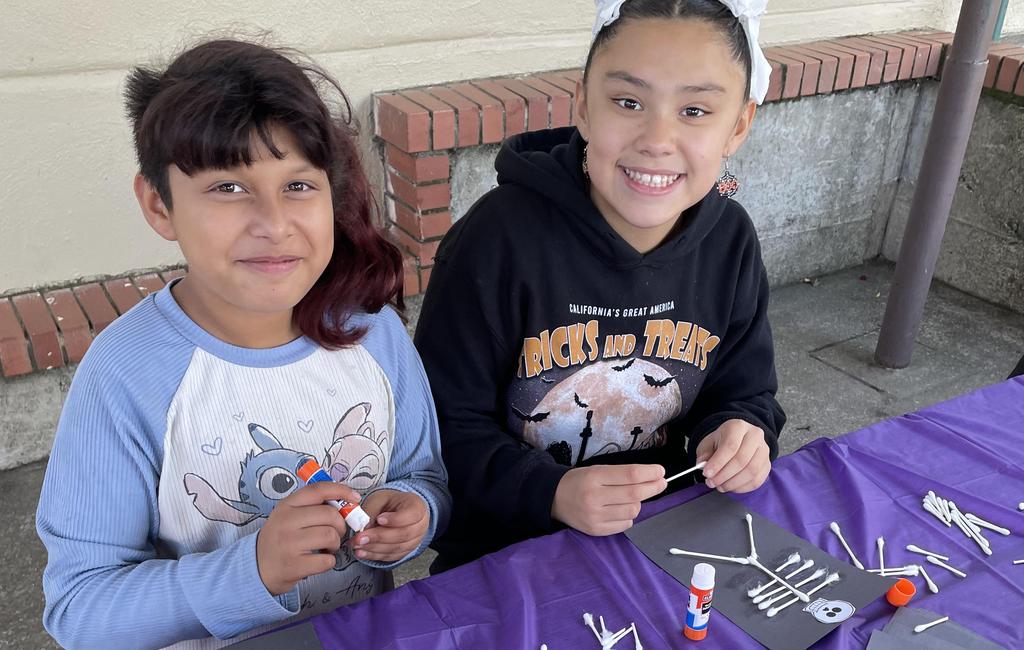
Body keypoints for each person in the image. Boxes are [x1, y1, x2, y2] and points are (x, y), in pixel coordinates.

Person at [36, 40, 450, 649]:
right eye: (229, 188)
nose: (274, 224)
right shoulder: (126, 373)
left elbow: (425, 476)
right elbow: (81, 609)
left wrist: (413, 515)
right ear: (159, 204)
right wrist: (250, 572)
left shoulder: (373, 333)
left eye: (298, 185)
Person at [415, 0, 784, 571]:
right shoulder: (497, 239)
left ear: (738, 125)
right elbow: (440, 427)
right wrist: (552, 491)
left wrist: (740, 431)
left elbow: (745, 392)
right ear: (583, 107)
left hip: (661, 539)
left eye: (694, 110)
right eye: (629, 102)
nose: (657, 139)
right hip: (506, 556)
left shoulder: (730, 240)